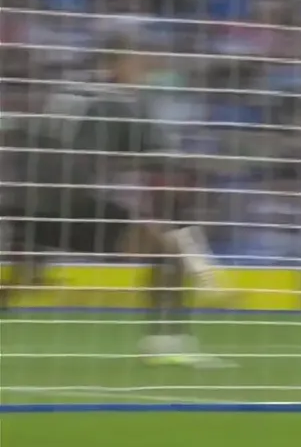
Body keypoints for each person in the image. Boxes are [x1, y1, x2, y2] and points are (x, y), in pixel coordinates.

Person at [0, 35, 228, 367]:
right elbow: (164, 162)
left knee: (20, 280)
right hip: (70, 202)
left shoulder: (64, 92)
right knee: (168, 252)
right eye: (141, 65)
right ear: (118, 65)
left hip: (21, 200)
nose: (146, 73)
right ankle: (166, 343)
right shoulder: (123, 102)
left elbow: (30, 133)